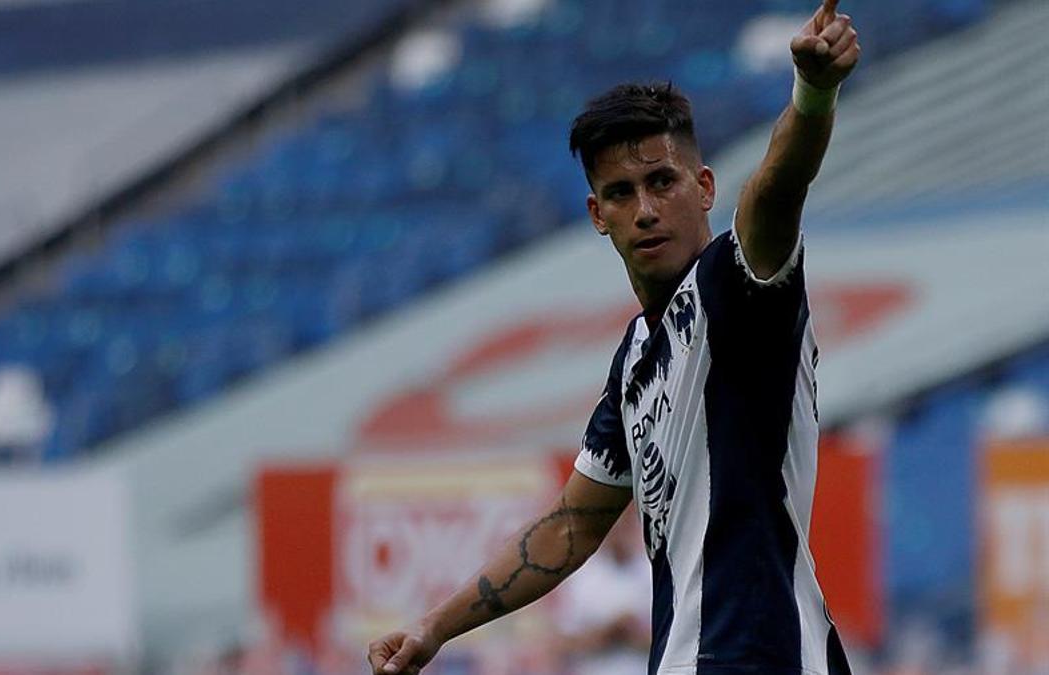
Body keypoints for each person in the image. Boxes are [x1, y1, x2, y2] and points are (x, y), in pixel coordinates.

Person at [367, 1, 860, 673]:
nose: (646, 209)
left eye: (662, 180)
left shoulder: (738, 289)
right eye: (622, 193)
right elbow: (572, 524)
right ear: (598, 214)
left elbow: (776, 190)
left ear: (704, 185)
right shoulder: (633, 360)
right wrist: (435, 626)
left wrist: (813, 91)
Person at [553, 509, 654, 675]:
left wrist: (632, 632)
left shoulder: (653, 572)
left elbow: (675, 639)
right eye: (614, 526)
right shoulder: (581, 576)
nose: (619, 532)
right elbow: (562, 643)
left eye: (625, 525)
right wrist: (607, 633)